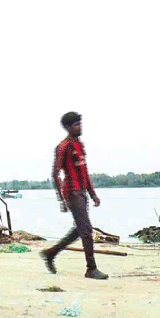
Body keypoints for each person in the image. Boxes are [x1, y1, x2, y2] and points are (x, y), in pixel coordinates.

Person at [40, 112, 109, 280]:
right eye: (76, 124)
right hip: (72, 193)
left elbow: (84, 172)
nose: (80, 127)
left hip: (82, 192)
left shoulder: (79, 146)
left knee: (79, 230)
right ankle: (91, 268)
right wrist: (61, 198)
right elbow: (55, 173)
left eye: (80, 123)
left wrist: (93, 194)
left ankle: (51, 253)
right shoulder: (64, 146)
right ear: (67, 127)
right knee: (86, 230)